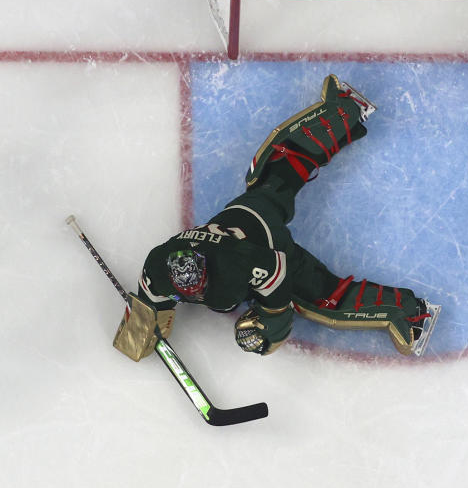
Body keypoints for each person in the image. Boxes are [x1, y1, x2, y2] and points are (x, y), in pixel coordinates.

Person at [112, 74, 439, 361]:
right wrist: (137, 335)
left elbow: (277, 282)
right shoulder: (158, 266)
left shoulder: (237, 263)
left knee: (319, 299)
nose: (196, 295)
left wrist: (266, 328)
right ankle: (342, 109)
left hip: (266, 239)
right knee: (274, 175)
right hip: (242, 214)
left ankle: (410, 313)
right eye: (189, 292)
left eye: (198, 287)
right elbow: (145, 306)